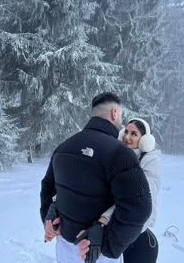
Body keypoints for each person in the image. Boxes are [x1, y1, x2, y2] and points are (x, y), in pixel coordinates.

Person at [40, 92, 152, 263]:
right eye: (121, 116)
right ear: (114, 113)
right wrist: (109, 244)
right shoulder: (120, 154)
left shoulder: (63, 147)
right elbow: (138, 209)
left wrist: (49, 219)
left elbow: (48, 187)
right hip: (96, 253)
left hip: (64, 248)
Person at [79, 118, 161, 263]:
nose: (127, 137)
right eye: (126, 131)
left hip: (134, 231)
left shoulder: (150, 162)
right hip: (112, 226)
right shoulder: (117, 156)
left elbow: (136, 201)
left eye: (134, 134)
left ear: (145, 140)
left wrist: (104, 219)